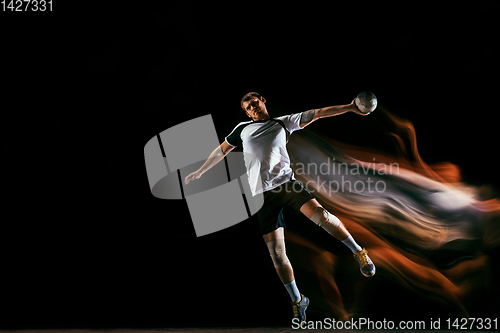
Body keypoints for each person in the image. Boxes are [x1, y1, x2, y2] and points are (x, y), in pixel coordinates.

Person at [185, 92, 375, 324]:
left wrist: (350, 107)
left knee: (323, 218)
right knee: (277, 254)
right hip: (261, 196)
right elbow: (221, 150)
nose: (252, 107)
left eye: (254, 102)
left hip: (286, 186)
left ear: (262, 100)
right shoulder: (242, 129)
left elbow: (318, 113)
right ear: (246, 113)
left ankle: (358, 252)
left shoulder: (283, 122)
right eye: (248, 107)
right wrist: (201, 171)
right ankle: (298, 300)